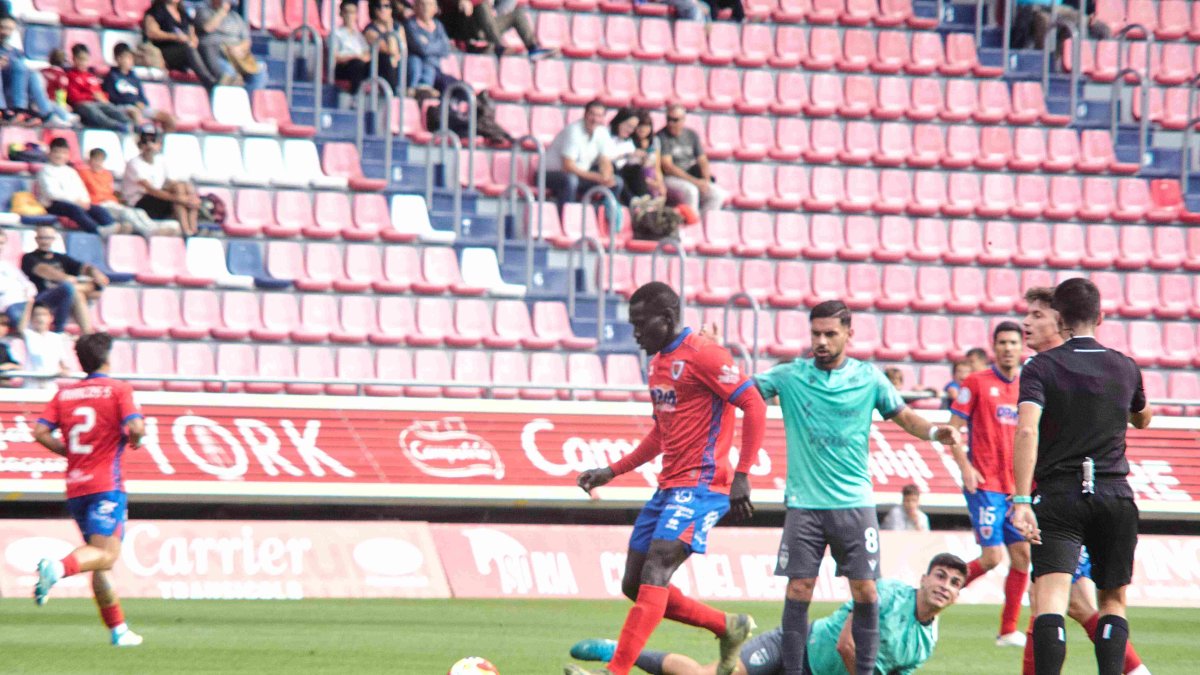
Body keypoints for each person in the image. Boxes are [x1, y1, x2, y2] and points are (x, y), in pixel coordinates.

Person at [567, 281, 767, 675]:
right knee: (633, 583)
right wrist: (612, 470)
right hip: (669, 487)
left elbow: (754, 404)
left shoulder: (705, 355)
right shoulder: (658, 364)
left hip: (705, 485)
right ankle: (727, 626)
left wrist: (742, 474)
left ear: (668, 318)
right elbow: (662, 433)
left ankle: (615, 671)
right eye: (633, 324)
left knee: (657, 567)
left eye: (642, 324)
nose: (636, 333)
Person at [752, 300, 961, 675]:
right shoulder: (790, 376)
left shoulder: (869, 378)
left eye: (830, 334)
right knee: (799, 588)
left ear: (849, 334)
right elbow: (740, 392)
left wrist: (934, 432)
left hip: (854, 503)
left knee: (865, 590)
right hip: (804, 504)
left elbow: (904, 416)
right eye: (816, 333)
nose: (821, 341)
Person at [1011, 278, 1152, 675]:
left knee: (1050, 601)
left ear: (1059, 319)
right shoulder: (1125, 366)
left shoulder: (1040, 367)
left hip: (1059, 495)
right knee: (1112, 602)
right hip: (1114, 493)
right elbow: (1143, 417)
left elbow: (1027, 430)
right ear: (1100, 317)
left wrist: (1021, 500)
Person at [568, 553, 969, 675]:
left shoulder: (926, 643)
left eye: (954, 583)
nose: (944, 585)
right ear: (924, 578)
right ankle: (619, 652)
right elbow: (847, 645)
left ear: (955, 596)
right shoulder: (887, 593)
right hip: (795, 648)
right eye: (940, 576)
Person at [31, 332, 145, 647]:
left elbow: (39, 431)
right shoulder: (118, 389)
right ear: (107, 357)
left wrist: (68, 452)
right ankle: (57, 568)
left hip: (76, 486)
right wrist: (136, 439)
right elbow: (136, 427)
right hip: (106, 484)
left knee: (99, 558)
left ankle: (118, 630)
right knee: (106, 553)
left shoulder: (65, 394)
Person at [946, 321, 1030, 647]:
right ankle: (935, 594)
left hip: (1016, 489)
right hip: (985, 485)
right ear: (994, 347)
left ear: (1021, 347)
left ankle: (1008, 630)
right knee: (992, 557)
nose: (1008, 348)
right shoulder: (976, 382)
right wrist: (965, 466)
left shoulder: (1029, 387)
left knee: (1022, 556)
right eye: (1002, 343)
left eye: (1013, 342)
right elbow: (952, 430)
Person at [21, 225, 104, 333]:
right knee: (68, 288)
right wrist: (65, 278)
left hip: (66, 296)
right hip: (42, 297)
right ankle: (60, 330)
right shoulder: (28, 257)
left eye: (48, 238)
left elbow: (83, 267)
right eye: (42, 238)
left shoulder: (61, 258)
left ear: (53, 239)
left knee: (75, 292)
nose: (45, 241)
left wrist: (94, 272)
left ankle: (87, 333)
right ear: (36, 239)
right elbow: (42, 270)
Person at [545, 100, 622, 212]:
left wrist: (606, 176)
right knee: (570, 180)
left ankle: (601, 216)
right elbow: (568, 166)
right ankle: (566, 217)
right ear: (585, 114)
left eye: (599, 116)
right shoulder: (573, 131)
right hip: (549, 174)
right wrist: (596, 177)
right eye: (592, 114)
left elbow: (605, 160)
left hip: (580, 174)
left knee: (616, 182)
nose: (595, 119)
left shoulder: (602, 131)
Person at [77, 148, 170, 237]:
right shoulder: (83, 173)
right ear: (90, 160)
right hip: (98, 204)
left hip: (111, 202)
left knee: (139, 211)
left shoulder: (107, 174)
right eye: (95, 160)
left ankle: (154, 228)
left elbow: (111, 191)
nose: (98, 163)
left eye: (100, 160)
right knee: (126, 213)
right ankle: (147, 231)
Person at [123, 129, 201, 236]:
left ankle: (191, 229)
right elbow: (150, 190)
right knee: (179, 197)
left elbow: (172, 182)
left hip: (158, 199)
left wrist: (188, 197)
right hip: (140, 202)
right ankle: (188, 230)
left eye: (153, 141)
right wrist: (181, 199)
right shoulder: (134, 163)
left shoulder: (161, 161)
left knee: (183, 188)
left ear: (159, 144)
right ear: (139, 145)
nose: (149, 145)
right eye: (145, 142)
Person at [0, 15, 73, 126]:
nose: (6, 32)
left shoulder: (14, 51)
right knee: (19, 66)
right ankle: (17, 109)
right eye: (3, 27)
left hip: (12, 89)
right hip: (5, 91)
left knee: (33, 74)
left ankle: (46, 113)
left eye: (10, 29)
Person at [37, 138, 118, 236]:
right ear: (50, 153)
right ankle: (97, 230)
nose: (60, 156)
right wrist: (75, 201)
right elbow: (52, 194)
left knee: (98, 209)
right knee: (75, 209)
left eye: (64, 153)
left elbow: (81, 189)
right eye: (56, 152)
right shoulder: (45, 171)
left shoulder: (71, 171)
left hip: (74, 202)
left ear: (68, 155)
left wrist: (85, 201)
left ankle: (111, 228)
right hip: (53, 204)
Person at [657, 104, 728, 216]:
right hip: (670, 178)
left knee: (717, 194)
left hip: (690, 176)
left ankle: (704, 223)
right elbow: (668, 167)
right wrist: (695, 182)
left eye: (675, 120)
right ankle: (692, 222)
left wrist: (706, 181)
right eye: (668, 119)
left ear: (683, 120)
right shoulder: (662, 136)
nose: (671, 123)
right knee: (691, 191)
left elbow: (702, 160)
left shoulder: (691, 135)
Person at [142, 0, 219, 89]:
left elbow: (191, 32)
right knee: (188, 49)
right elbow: (151, 33)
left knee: (205, 46)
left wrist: (193, 40)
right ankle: (208, 81)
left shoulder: (183, 13)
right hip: (165, 51)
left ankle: (218, 76)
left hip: (185, 49)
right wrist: (175, 37)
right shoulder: (156, 11)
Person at [102, 43, 178, 132]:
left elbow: (142, 96)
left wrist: (143, 104)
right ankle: (139, 137)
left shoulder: (134, 78)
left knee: (168, 118)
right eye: (127, 58)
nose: (130, 61)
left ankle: (163, 138)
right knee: (135, 113)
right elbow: (112, 98)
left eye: (131, 58)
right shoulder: (111, 77)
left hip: (139, 107)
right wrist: (134, 103)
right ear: (118, 59)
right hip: (123, 107)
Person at [436, 0, 548, 58]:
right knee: (481, 6)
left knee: (517, 14)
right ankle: (498, 45)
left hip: (483, 25)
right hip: (461, 26)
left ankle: (533, 48)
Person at [195, 0, 265, 90]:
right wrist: (222, 11)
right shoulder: (204, 11)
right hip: (215, 54)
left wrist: (238, 48)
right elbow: (208, 28)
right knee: (229, 73)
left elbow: (246, 40)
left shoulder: (235, 17)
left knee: (259, 72)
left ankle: (248, 97)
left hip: (236, 57)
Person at [64, 43, 134, 133]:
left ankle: (129, 124)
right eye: (80, 59)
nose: (83, 63)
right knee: (91, 109)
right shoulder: (70, 76)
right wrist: (92, 97)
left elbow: (100, 93)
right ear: (74, 59)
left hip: (96, 102)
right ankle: (115, 125)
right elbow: (73, 97)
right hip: (81, 105)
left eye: (85, 59)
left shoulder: (91, 76)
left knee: (110, 107)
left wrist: (103, 97)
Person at [607, 108, 663, 207]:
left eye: (633, 128)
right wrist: (626, 155)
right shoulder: (606, 135)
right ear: (620, 121)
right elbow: (606, 158)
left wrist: (642, 160)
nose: (630, 130)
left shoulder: (628, 142)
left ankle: (645, 198)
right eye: (628, 126)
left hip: (624, 172)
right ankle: (632, 200)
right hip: (610, 171)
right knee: (615, 171)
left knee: (636, 169)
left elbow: (631, 163)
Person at [404, 0, 454, 95]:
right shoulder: (410, 25)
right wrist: (436, 46)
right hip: (416, 68)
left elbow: (446, 49)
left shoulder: (438, 25)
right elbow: (422, 49)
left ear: (435, 8)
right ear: (415, 7)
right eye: (422, 4)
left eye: (430, 5)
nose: (426, 8)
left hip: (435, 68)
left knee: (454, 86)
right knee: (416, 62)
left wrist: (428, 45)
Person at [20, 303, 71, 389]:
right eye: (36, 315)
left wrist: (65, 370)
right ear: (31, 318)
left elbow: (63, 363)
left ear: (51, 318)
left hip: (50, 385)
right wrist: (30, 303)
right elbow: (21, 328)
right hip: (31, 386)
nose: (40, 318)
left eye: (44, 314)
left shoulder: (56, 338)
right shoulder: (28, 335)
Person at [363, 1, 405, 94]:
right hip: (379, 66)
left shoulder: (398, 26)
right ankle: (393, 93)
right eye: (379, 6)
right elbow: (390, 50)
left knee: (410, 62)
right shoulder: (370, 30)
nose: (383, 9)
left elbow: (403, 50)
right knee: (386, 59)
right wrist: (389, 28)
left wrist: (395, 58)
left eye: (387, 6)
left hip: (396, 62)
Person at [332, 0, 372, 93]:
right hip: (343, 67)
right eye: (347, 12)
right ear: (341, 14)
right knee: (356, 64)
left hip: (360, 64)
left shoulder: (359, 36)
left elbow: (367, 54)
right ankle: (355, 94)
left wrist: (361, 58)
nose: (350, 16)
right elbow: (335, 57)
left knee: (380, 62)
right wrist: (354, 57)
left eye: (353, 12)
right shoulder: (336, 34)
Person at [0, 228, 35, 329]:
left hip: (25, 301)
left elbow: (28, 285)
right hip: (8, 306)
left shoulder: (7, 265)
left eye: (2, 243)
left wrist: (29, 295)